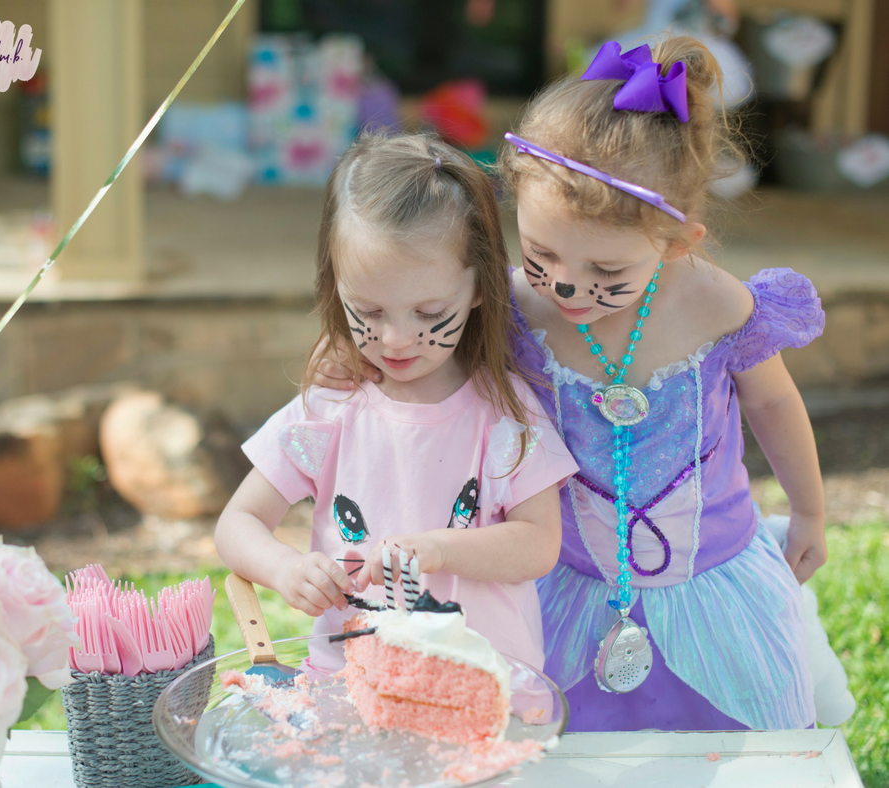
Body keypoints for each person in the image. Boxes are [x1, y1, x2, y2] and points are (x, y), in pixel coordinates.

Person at [313, 37, 851, 732]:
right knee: (572, 744)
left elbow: (774, 401)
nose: (567, 284)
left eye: (605, 271)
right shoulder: (514, 312)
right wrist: (360, 355)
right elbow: (428, 346)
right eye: (540, 254)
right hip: (567, 577)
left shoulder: (717, 307)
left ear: (677, 240)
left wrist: (809, 510)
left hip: (708, 579)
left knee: (728, 748)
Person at [215, 132, 577, 675]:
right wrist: (286, 569)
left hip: (483, 689)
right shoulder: (330, 410)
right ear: (335, 285)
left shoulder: (504, 415)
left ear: (481, 286)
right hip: (353, 686)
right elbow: (237, 522)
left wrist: (439, 549)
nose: (397, 340)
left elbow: (539, 544)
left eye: (430, 313)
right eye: (369, 311)